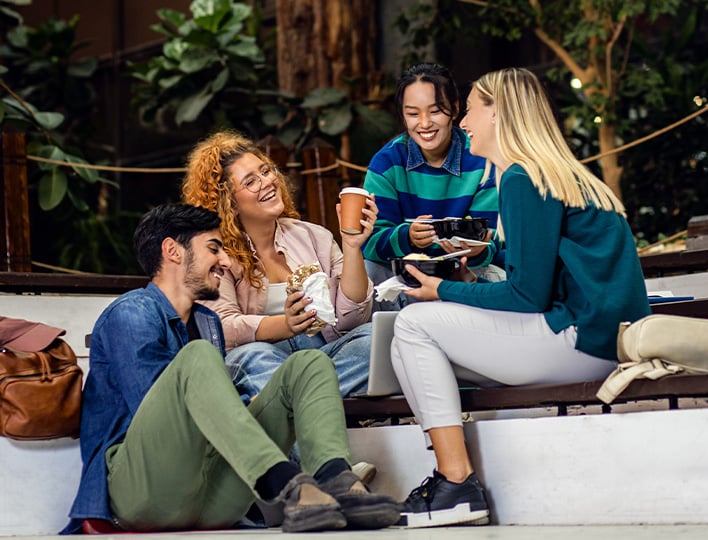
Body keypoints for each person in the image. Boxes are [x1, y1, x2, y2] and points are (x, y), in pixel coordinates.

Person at [390, 67, 652, 528]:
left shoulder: (521, 178)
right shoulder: (556, 174)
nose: (464, 121)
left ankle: (455, 482)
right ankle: (454, 479)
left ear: (499, 113)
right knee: (417, 349)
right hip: (604, 341)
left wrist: (442, 289)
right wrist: (477, 273)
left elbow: (528, 296)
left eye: (471, 108)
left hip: (580, 342)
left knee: (412, 325)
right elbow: (545, 276)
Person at [63, 203, 398, 534]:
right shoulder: (132, 313)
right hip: (142, 492)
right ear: (172, 251)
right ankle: (286, 482)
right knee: (198, 358)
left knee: (309, 364)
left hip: (209, 496)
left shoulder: (206, 321)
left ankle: (336, 480)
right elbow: (155, 413)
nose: (224, 261)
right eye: (213, 249)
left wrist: (244, 411)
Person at [182, 131, 376, 400]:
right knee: (251, 357)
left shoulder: (313, 236)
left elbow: (351, 320)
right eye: (251, 181)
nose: (268, 182)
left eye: (266, 171)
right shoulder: (216, 253)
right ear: (229, 203)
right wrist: (285, 325)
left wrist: (352, 246)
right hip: (265, 357)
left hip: (322, 356)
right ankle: (312, 402)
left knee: (376, 339)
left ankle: (290, 403)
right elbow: (222, 327)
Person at [362, 62, 502, 310]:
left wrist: (476, 249)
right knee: (367, 269)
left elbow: (494, 240)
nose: (424, 123)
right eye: (413, 114)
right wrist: (408, 237)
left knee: (492, 273)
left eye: (435, 111)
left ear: (455, 109)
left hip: (465, 272)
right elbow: (369, 242)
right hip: (405, 277)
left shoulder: (482, 159)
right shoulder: (387, 163)